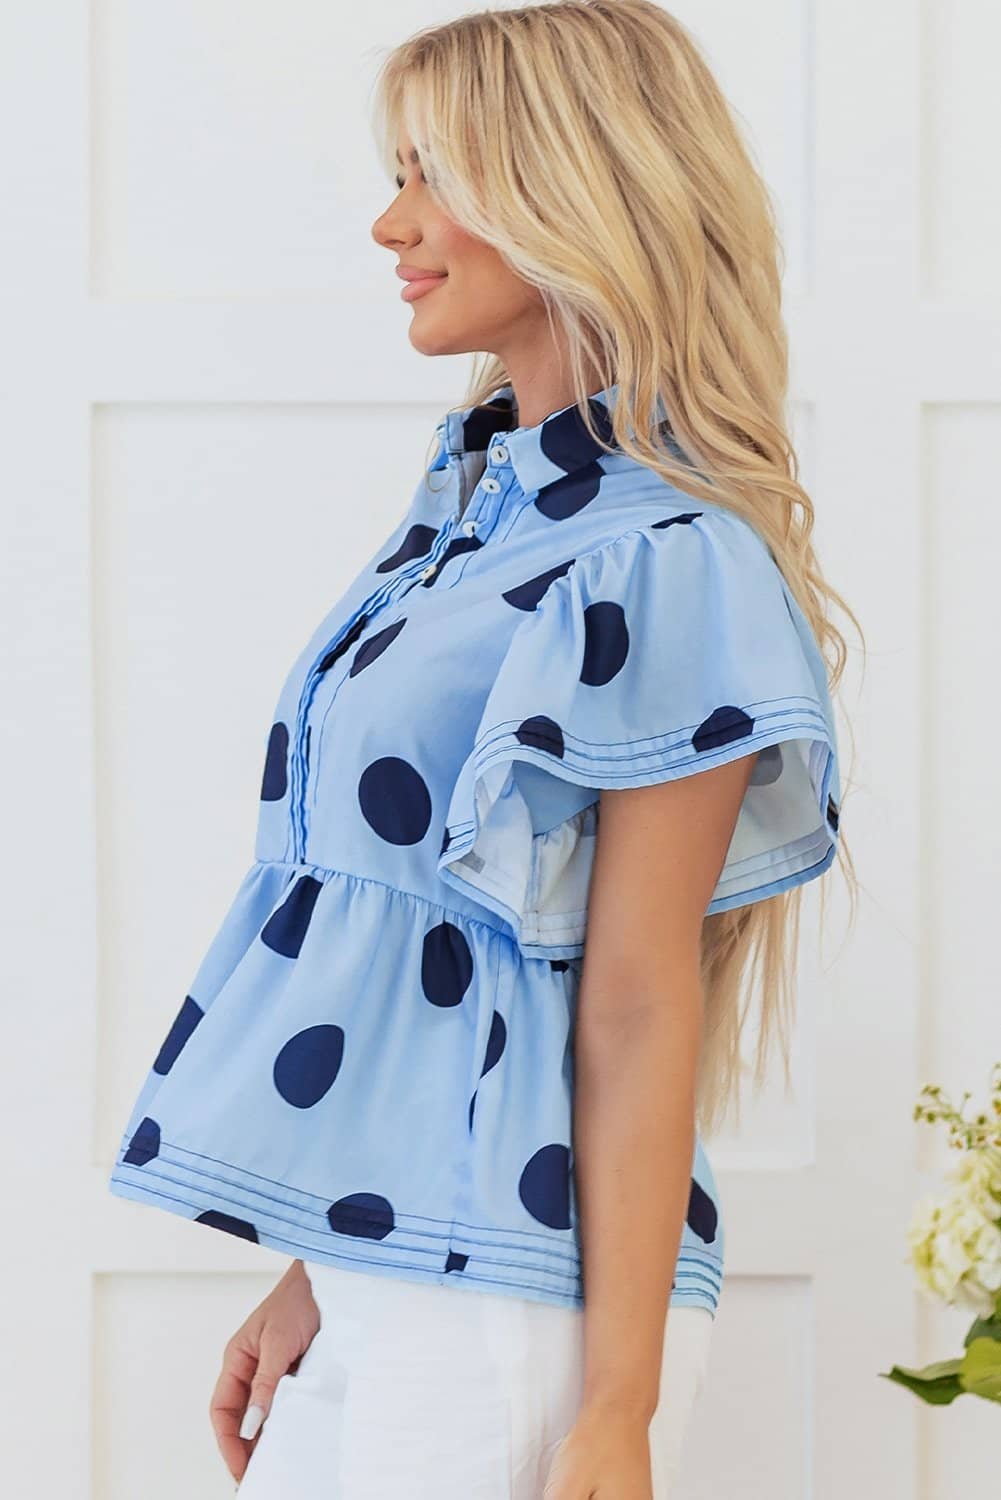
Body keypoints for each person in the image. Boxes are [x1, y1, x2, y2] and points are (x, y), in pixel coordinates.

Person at [107, 2, 863, 1495]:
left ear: (575, 191)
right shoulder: (471, 512)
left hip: (514, 1303)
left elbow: (633, 999)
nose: (391, 224)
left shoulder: (668, 558)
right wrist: (320, 1264)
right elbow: (436, 962)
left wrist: (618, 1409)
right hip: (395, 1265)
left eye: (434, 176)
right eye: (396, 176)